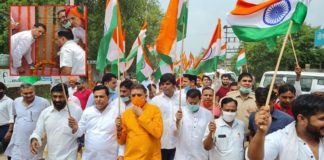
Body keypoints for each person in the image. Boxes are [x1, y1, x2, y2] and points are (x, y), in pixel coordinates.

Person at [247, 94, 324, 160]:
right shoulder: (279, 139)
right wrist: (260, 133)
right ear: (301, 119)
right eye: (322, 119)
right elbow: (254, 158)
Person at [68, 85, 124, 159]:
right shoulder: (87, 112)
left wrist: (121, 154)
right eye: (96, 97)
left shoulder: (117, 112)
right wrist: (75, 127)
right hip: (90, 156)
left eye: (101, 97)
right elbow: (79, 132)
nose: (98, 99)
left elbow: (122, 135)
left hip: (111, 156)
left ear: (108, 97)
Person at [30, 83, 82, 160]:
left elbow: (82, 133)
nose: (57, 99)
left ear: (67, 97)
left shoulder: (76, 110)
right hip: (52, 156)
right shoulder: (45, 112)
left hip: (70, 156)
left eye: (60, 97)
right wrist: (34, 139)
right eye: (55, 97)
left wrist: (76, 128)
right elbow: (38, 131)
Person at [116, 84, 163, 160]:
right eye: (133, 95)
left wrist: (141, 115)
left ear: (146, 96)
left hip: (151, 157)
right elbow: (121, 141)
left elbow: (158, 133)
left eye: (139, 95)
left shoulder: (155, 110)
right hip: (131, 157)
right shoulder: (126, 114)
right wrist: (118, 130)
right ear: (130, 97)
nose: (136, 97)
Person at [5, 83, 50, 160]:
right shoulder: (16, 101)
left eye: (31, 92)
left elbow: (49, 119)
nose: (29, 95)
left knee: (36, 156)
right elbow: (15, 116)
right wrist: (11, 130)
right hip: (19, 139)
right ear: (21, 93)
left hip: (36, 139)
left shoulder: (44, 102)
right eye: (26, 93)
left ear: (34, 91)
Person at [174, 89, 213, 160]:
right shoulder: (179, 112)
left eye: (195, 103)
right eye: (190, 103)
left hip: (200, 155)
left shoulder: (208, 114)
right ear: (186, 100)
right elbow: (175, 133)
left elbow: (208, 135)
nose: (192, 105)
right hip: (182, 155)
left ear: (200, 100)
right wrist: (177, 120)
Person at [151, 73, 179, 160]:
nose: (165, 86)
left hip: (178, 142)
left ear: (174, 85)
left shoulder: (182, 98)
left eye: (167, 84)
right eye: (162, 84)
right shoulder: (155, 101)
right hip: (161, 142)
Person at [0, 82, 14, 156]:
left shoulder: (9, 101)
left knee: (9, 151)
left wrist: (10, 131)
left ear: (3, 90)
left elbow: (12, 117)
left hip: (5, 128)